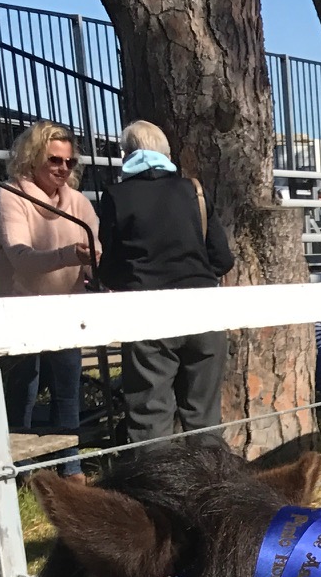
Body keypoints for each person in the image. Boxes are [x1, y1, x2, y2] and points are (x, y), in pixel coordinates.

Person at [98, 120, 235, 446]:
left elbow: (111, 268)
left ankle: (157, 491)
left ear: (126, 154)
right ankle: (213, 486)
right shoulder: (194, 191)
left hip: (147, 314)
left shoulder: (116, 197)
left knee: (150, 416)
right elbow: (223, 260)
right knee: (204, 418)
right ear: (167, 154)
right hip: (204, 310)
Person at [0, 120, 99, 443]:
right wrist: (71, 254)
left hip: (65, 308)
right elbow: (22, 259)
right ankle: (17, 464)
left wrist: (96, 263)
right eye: (54, 160)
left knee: (67, 388)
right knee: (23, 388)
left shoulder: (79, 203)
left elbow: (94, 255)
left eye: (69, 162)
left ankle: (69, 466)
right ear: (32, 158)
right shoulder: (8, 197)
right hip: (18, 307)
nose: (63, 168)